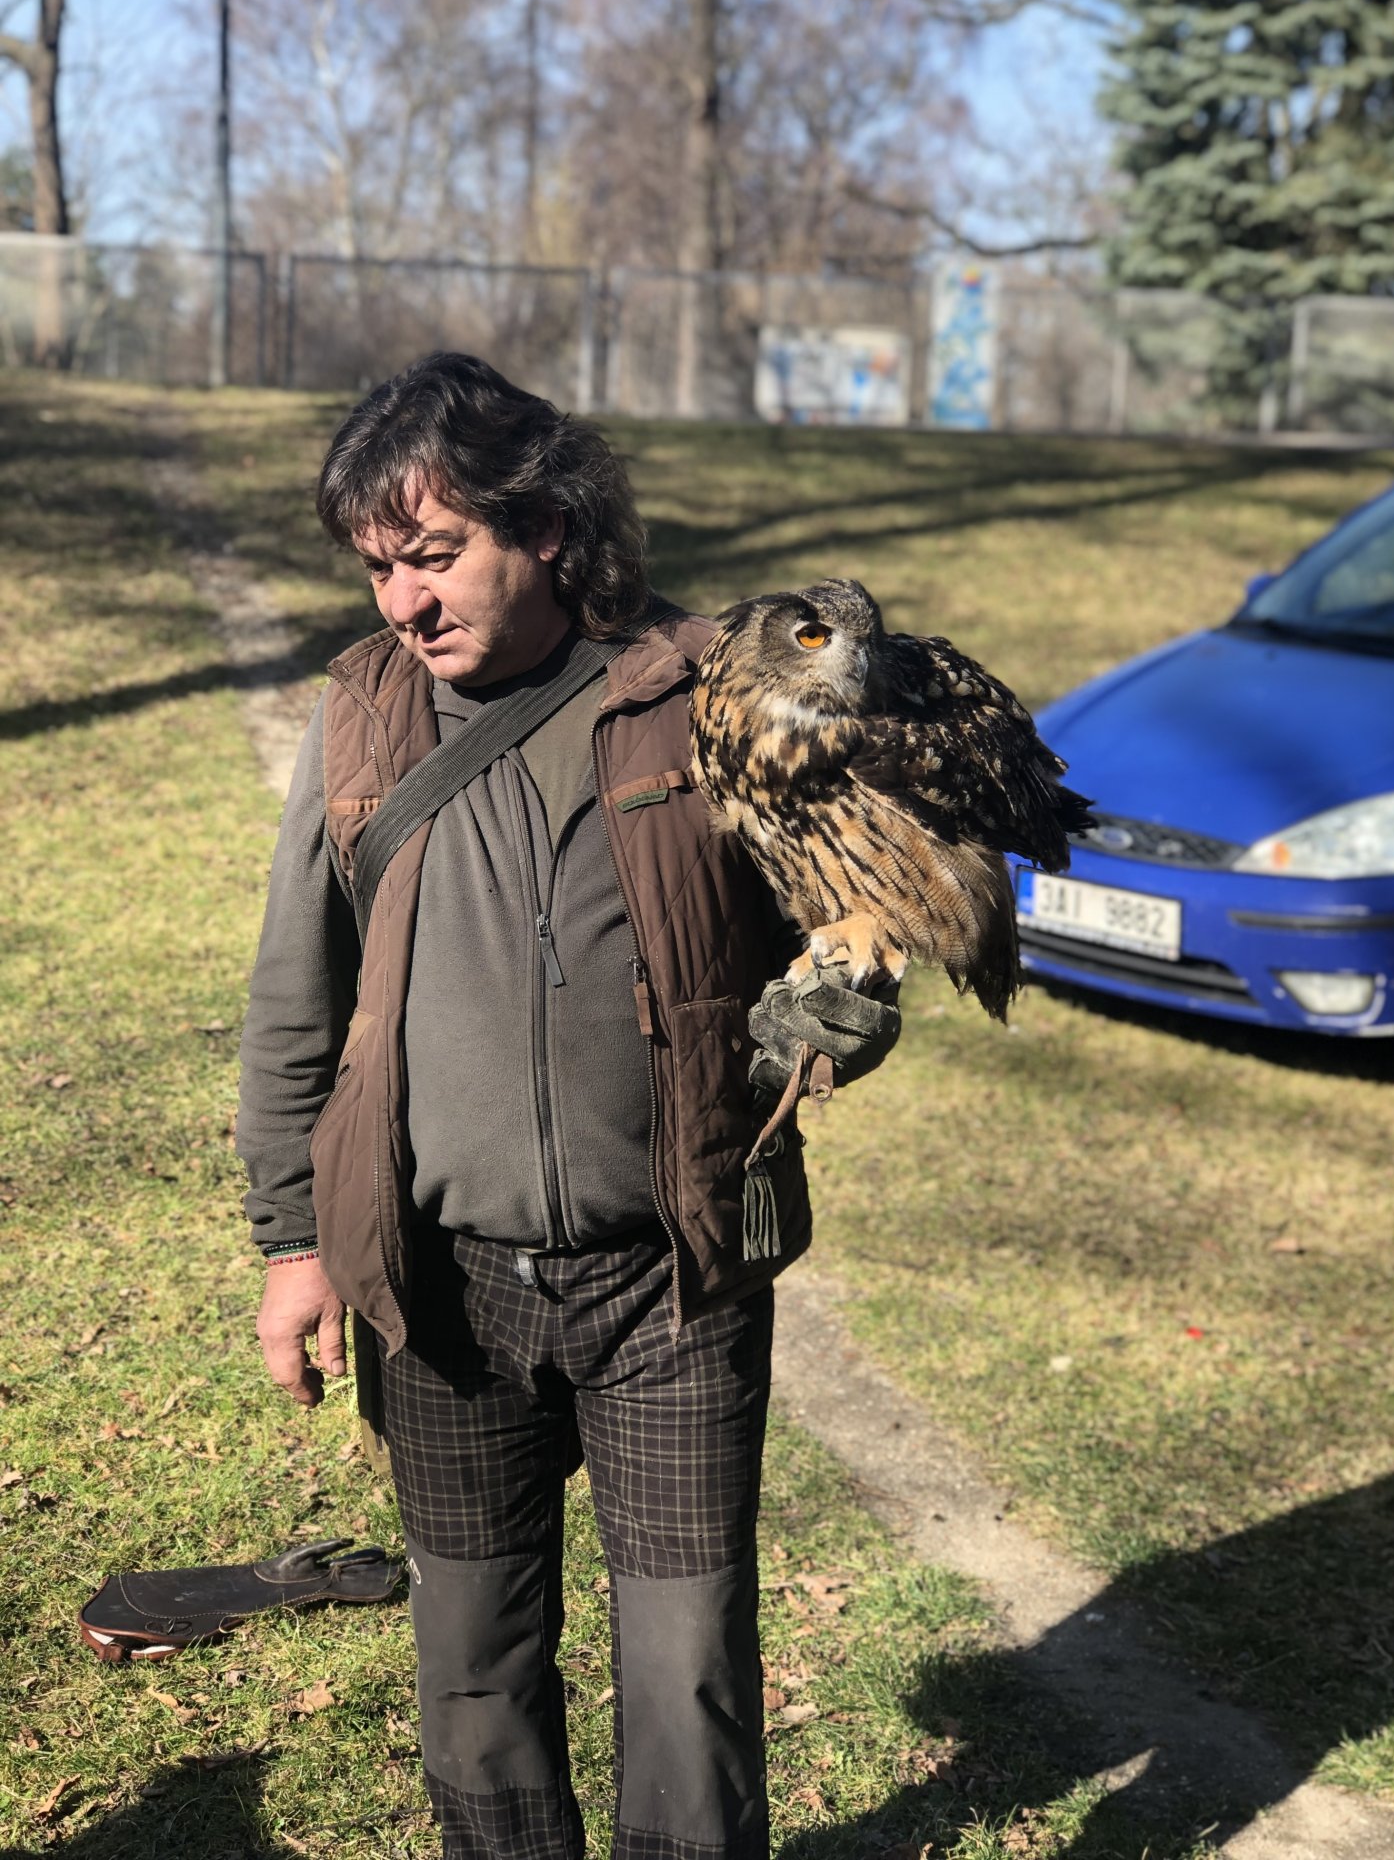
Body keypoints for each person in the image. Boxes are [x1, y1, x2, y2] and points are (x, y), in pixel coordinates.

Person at [237, 352, 899, 1860]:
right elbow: (295, 997)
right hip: (442, 1288)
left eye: (432, 554)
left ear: (541, 526)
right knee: (473, 1666)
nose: (404, 602)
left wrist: (844, 1014)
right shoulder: (362, 716)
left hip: (674, 1277)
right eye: (377, 568)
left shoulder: (710, 690)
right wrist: (293, 1242)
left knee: (686, 1671)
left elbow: (843, 929)